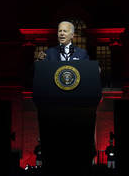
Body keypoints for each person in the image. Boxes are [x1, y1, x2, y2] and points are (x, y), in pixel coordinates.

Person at [35, 21, 96, 176]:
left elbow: (89, 74)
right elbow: (40, 76)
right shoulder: (48, 54)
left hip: (77, 108)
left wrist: (96, 70)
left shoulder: (82, 54)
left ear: (72, 35)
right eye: (59, 31)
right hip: (53, 108)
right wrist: (38, 64)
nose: (61, 34)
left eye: (64, 31)